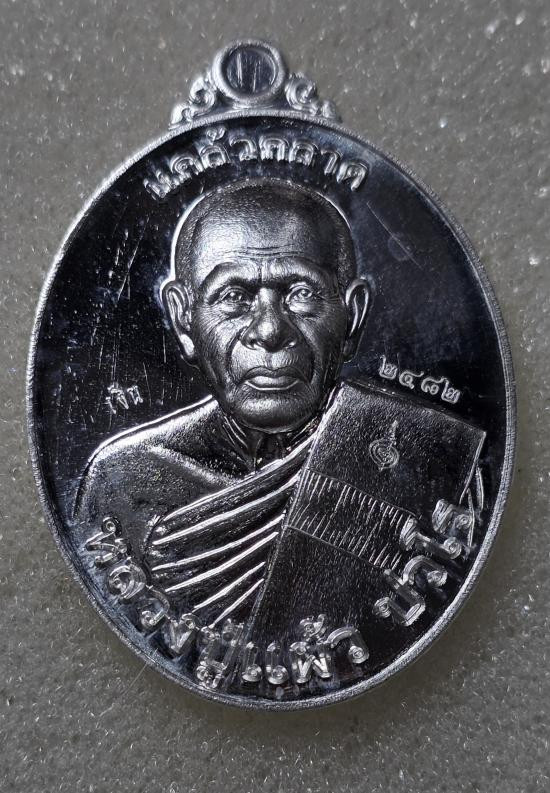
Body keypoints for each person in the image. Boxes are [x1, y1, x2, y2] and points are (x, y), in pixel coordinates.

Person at [76, 178, 485, 639]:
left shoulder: (428, 458)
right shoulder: (124, 481)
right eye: (233, 297)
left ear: (352, 316)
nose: (269, 330)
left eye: (301, 293)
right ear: (183, 319)